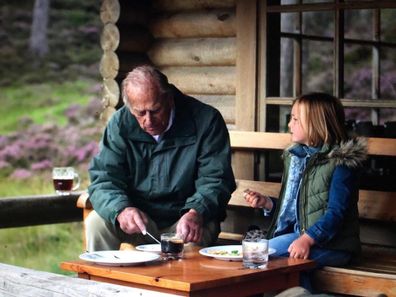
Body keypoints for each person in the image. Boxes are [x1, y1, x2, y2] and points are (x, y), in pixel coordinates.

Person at [85, 65, 236, 251]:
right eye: (140, 113)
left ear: (169, 99)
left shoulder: (206, 120)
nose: (149, 120)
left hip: (187, 219)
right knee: (96, 223)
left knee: (188, 246)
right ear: (130, 107)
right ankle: (98, 280)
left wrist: (197, 211)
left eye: (155, 110)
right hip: (140, 221)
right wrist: (121, 209)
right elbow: (104, 178)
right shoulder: (120, 123)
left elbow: (216, 179)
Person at [244, 92, 367, 291]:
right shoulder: (298, 158)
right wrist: (268, 203)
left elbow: (337, 213)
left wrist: (307, 239)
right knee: (259, 255)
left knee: (266, 256)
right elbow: (300, 208)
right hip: (300, 238)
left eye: (294, 119)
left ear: (315, 123)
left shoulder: (341, 163)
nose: (289, 125)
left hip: (334, 245)